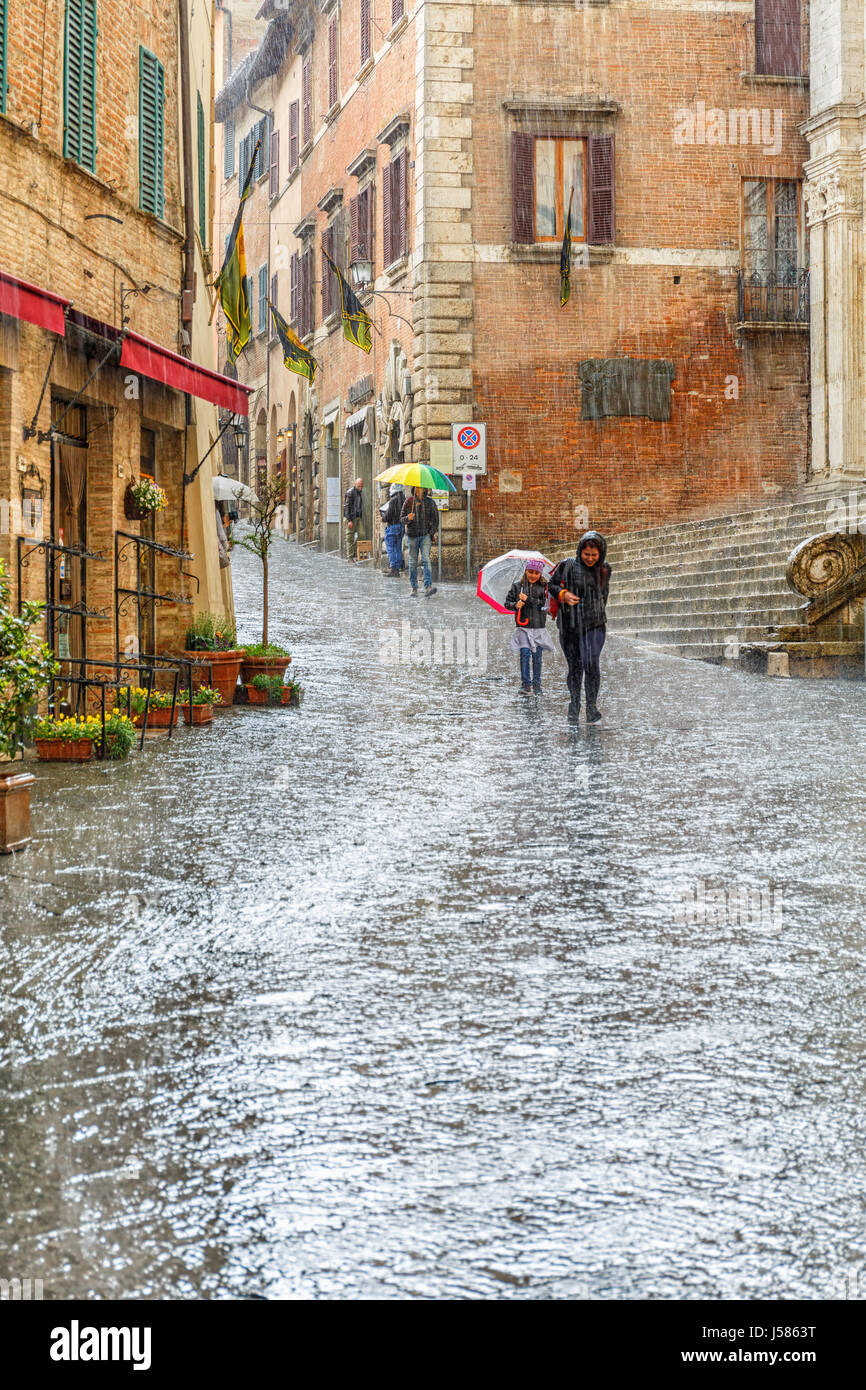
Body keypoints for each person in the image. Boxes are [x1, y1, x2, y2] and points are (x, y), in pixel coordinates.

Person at [549, 530, 611, 722]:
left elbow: (604, 595)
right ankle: (575, 703)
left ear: (601, 554)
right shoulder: (567, 565)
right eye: (586, 554)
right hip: (569, 625)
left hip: (595, 624)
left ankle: (591, 707)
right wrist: (563, 595)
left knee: (591, 663)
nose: (590, 558)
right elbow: (551, 585)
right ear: (580, 551)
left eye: (594, 555)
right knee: (575, 667)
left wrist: (595, 611)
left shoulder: (605, 569)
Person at [504, 558, 556, 693]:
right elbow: (507, 603)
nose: (533, 575)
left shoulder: (545, 587)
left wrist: (529, 600)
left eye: (536, 573)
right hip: (523, 628)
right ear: (526, 571)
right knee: (525, 654)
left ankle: (537, 683)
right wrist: (515, 604)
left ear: (540, 574)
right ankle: (526, 683)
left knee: (537, 657)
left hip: (539, 627)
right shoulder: (517, 586)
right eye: (530, 572)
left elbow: (546, 604)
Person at [401, 486, 439, 596]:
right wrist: (408, 518)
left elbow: (435, 520)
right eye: (417, 488)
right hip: (412, 536)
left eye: (421, 488)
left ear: (424, 489)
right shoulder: (409, 502)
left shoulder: (430, 502)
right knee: (413, 562)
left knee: (426, 560)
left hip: (425, 535)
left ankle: (428, 586)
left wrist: (430, 532)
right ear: (414, 489)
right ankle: (414, 588)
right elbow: (401, 519)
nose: (419, 490)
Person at [381, 484, 406, 576]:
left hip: (392, 526)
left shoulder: (392, 501)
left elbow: (388, 515)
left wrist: (383, 518)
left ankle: (393, 569)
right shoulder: (404, 499)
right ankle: (397, 569)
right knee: (398, 548)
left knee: (391, 548)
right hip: (401, 526)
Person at [344, 477, 365, 560]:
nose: (360, 488)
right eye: (359, 486)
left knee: (362, 534)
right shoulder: (350, 492)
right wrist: (349, 520)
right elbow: (347, 507)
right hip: (351, 518)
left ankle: (355, 550)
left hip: (358, 517)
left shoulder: (360, 492)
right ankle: (350, 557)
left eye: (361, 486)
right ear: (355, 484)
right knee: (350, 537)